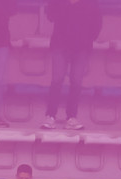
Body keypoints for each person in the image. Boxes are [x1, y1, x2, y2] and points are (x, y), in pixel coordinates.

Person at [43, 0, 102, 130]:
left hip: (81, 47)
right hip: (60, 44)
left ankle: (71, 117)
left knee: (76, 81)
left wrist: (89, 39)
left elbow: (97, 21)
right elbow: (50, 16)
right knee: (57, 79)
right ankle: (50, 116)